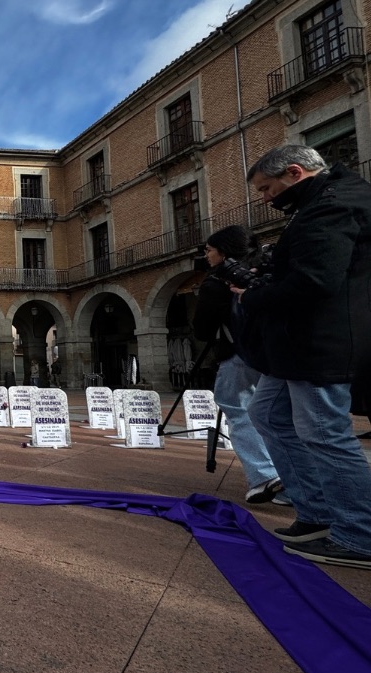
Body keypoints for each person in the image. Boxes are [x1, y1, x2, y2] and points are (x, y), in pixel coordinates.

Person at [239, 145, 371, 569]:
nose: (265, 198)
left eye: (267, 188)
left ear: (295, 173)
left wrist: (256, 295)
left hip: (320, 342)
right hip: (296, 343)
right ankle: (317, 512)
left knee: (325, 432)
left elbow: (315, 280)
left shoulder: (330, 207)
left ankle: (360, 533)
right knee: (268, 414)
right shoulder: (322, 203)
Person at [194, 224, 283, 504]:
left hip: (239, 354)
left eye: (209, 250)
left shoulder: (217, 282)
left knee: (237, 409)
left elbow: (202, 330)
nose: (206, 255)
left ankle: (264, 474)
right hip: (278, 354)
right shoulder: (270, 269)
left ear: (223, 252)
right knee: (279, 417)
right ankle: (296, 482)